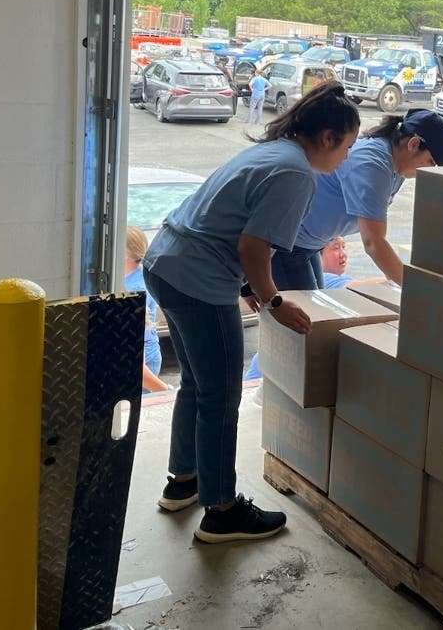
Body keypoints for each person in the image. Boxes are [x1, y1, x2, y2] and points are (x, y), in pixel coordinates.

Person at [142, 82, 360, 544]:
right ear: (326, 138)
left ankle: (184, 481)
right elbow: (253, 245)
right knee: (221, 396)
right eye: (346, 147)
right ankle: (221, 511)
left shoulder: (272, 152)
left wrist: (251, 288)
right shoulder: (296, 173)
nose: (344, 159)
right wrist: (274, 300)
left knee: (199, 386)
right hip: (198, 279)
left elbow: (231, 222)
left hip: (166, 262)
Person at [270, 108, 443, 290]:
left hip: (311, 244)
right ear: (413, 144)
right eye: (431, 162)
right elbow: (373, 242)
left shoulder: (398, 168)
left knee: (317, 306)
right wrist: (417, 290)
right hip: (288, 244)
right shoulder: (372, 163)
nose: (430, 170)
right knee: (304, 315)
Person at [241, 235, 355, 382]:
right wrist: (272, 301)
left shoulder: (322, 281)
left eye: (344, 247)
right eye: (335, 248)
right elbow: (250, 245)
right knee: (306, 332)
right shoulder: (329, 280)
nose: (342, 254)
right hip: (264, 375)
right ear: (322, 255)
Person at [125, 226, 168, 395]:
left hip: (144, 366)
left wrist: (165, 392)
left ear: (126, 255)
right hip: (149, 356)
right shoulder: (142, 273)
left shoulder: (133, 293)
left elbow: (134, 362)